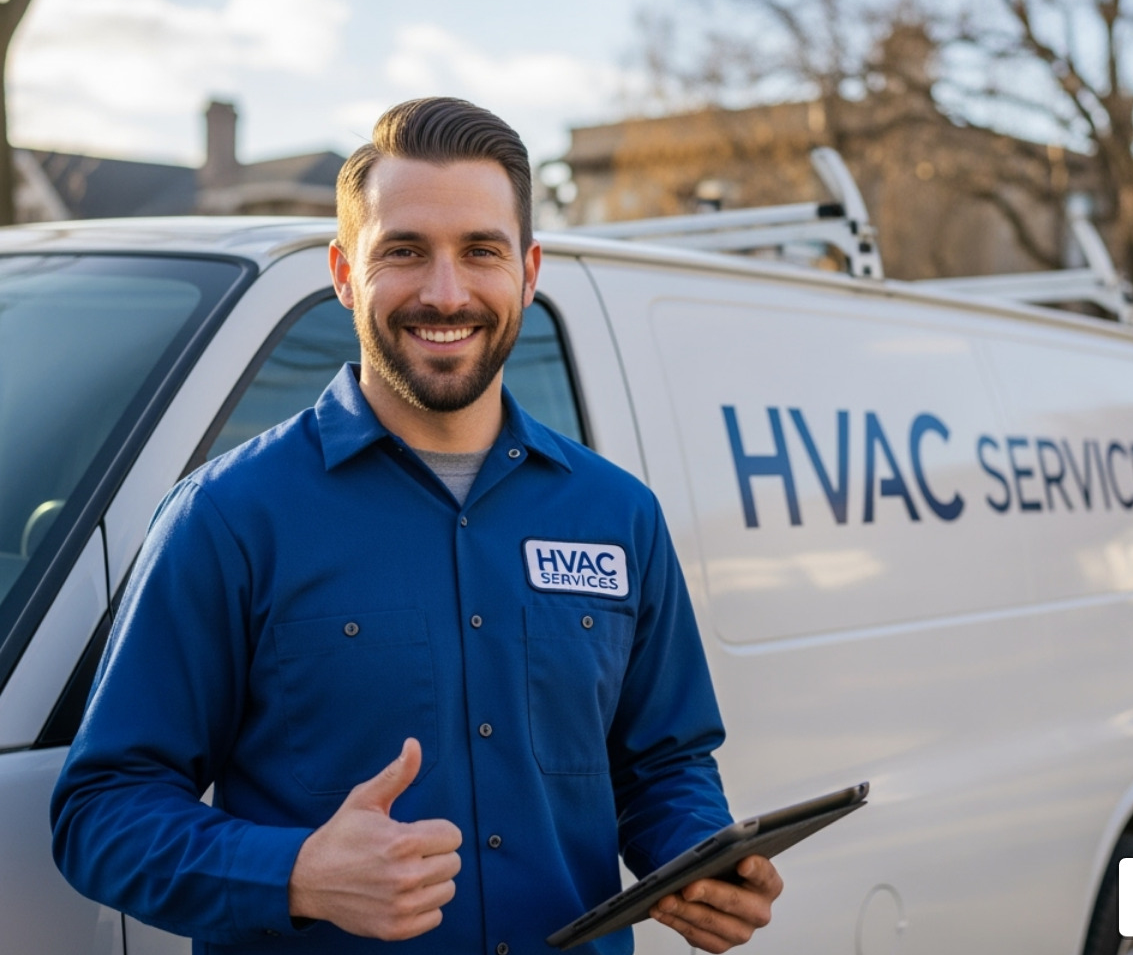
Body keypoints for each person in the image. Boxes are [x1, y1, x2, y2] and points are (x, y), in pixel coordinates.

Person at [50, 97, 782, 955]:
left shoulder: (618, 515)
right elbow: (102, 812)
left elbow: (664, 764)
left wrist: (695, 855)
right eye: (403, 251)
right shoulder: (228, 517)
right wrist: (293, 873)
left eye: (481, 251)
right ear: (343, 273)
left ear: (528, 271)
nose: (446, 292)